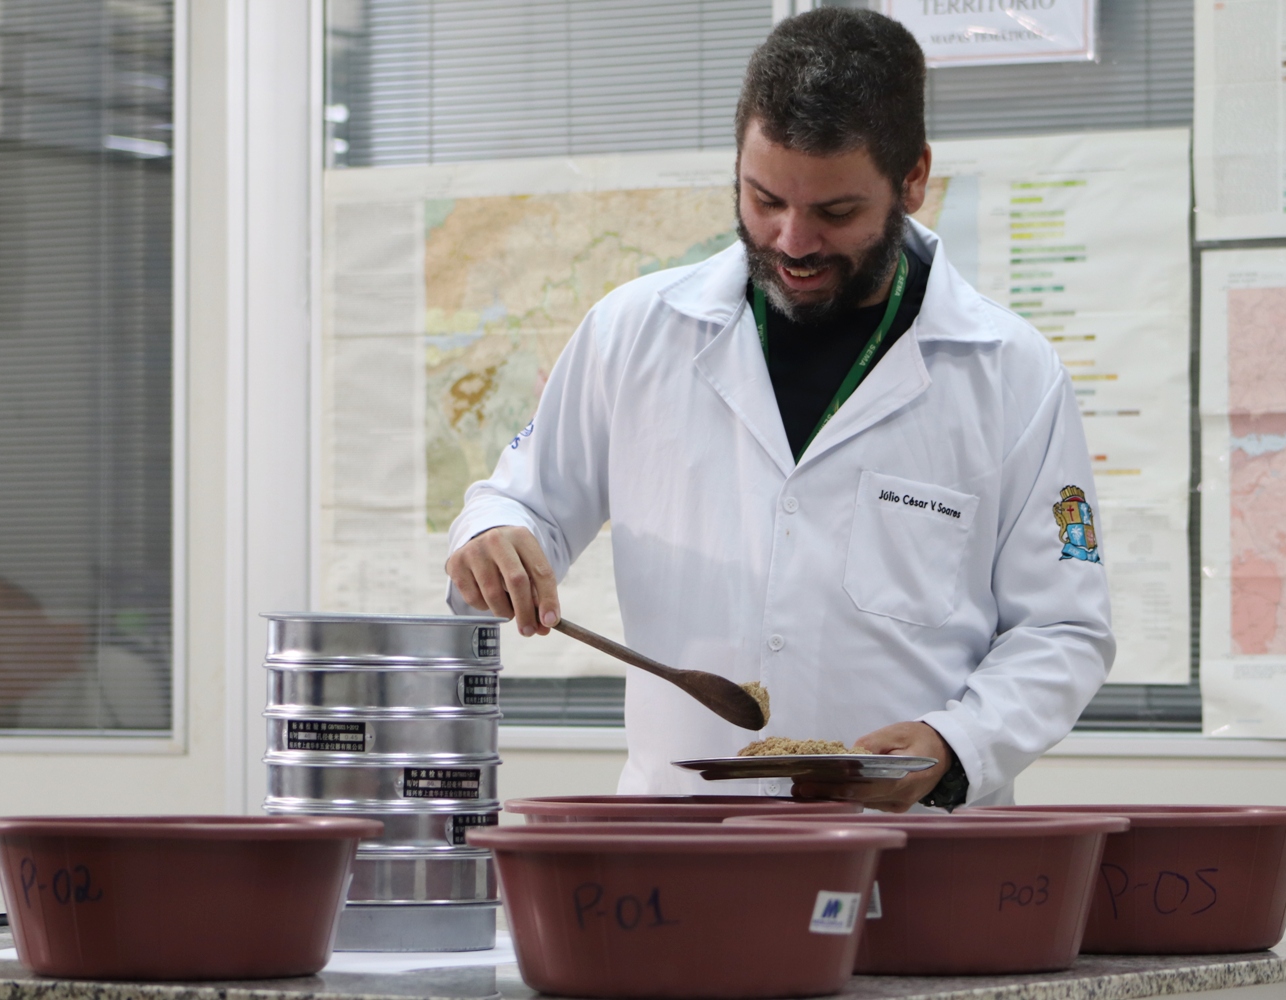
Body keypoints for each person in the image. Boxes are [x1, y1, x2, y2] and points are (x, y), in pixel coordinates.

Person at [445, 8, 1113, 811]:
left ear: (913, 180)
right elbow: (523, 498)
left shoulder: (1011, 374)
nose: (793, 241)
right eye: (764, 199)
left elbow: (1063, 629)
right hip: (683, 847)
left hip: (908, 861)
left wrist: (957, 742)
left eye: (835, 214)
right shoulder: (634, 334)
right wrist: (495, 535)